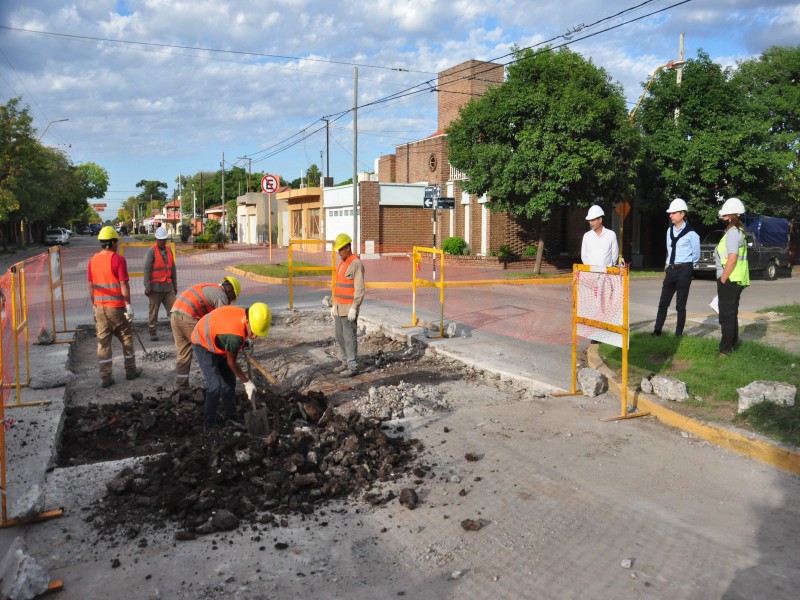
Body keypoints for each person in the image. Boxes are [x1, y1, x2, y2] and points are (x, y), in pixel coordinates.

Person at [191, 302, 271, 430]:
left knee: (229, 382)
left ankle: (231, 417)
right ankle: (209, 424)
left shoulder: (246, 316)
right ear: (248, 322)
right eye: (254, 332)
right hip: (202, 342)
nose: (255, 336)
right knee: (214, 386)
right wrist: (247, 382)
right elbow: (231, 362)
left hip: (220, 337)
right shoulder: (235, 337)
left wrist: (246, 338)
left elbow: (233, 332)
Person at [87, 226, 142, 388]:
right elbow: (124, 284)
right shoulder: (118, 260)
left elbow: (91, 286)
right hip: (116, 309)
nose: (117, 244)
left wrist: (94, 305)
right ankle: (130, 371)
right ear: (111, 242)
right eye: (116, 242)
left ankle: (106, 377)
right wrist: (128, 305)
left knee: (103, 343)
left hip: (99, 308)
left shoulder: (93, 260)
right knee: (126, 338)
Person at [170, 276, 240, 390]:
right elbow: (223, 322)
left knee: (183, 352)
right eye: (233, 297)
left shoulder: (210, 288)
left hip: (174, 315)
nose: (231, 301)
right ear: (230, 290)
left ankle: (181, 387)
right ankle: (217, 384)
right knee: (209, 348)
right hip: (188, 317)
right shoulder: (221, 296)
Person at [652, 198, 701, 337]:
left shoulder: (692, 234)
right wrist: (668, 267)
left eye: (673, 213)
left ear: (682, 214)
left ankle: (678, 334)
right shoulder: (669, 231)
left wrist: (688, 269)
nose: (670, 215)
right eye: (670, 213)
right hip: (671, 270)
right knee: (663, 303)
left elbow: (696, 254)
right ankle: (657, 331)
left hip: (684, 270)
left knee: (680, 305)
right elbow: (669, 249)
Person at [715, 197, 750, 355]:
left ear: (732, 216)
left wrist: (723, 279)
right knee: (731, 313)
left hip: (730, 278)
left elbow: (732, 259)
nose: (723, 217)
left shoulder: (733, 233)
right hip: (734, 278)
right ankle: (732, 345)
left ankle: (725, 350)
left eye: (725, 215)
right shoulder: (737, 231)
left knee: (726, 315)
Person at [330, 233, 365, 377]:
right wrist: (334, 304)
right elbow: (338, 285)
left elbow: (360, 288)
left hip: (349, 308)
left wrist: (355, 306)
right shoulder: (342, 263)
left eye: (341, 249)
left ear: (348, 247)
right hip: (339, 307)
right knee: (340, 336)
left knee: (349, 337)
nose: (339, 252)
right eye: (338, 250)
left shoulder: (356, 263)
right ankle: (345, 361)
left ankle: (352, 366)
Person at [143, 226, 177, 341]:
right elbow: (147, 270)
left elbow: (173, 269)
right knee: (153, 312)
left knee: (174, 311)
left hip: (168, 288)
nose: (162, 242)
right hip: (155, 288)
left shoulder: (169, 250)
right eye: (160, 240)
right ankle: (152, 332)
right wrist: (147, 286)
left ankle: (177, 332)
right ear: (156, 239)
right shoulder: (151, 251)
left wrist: (175, 286)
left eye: (164, 240)